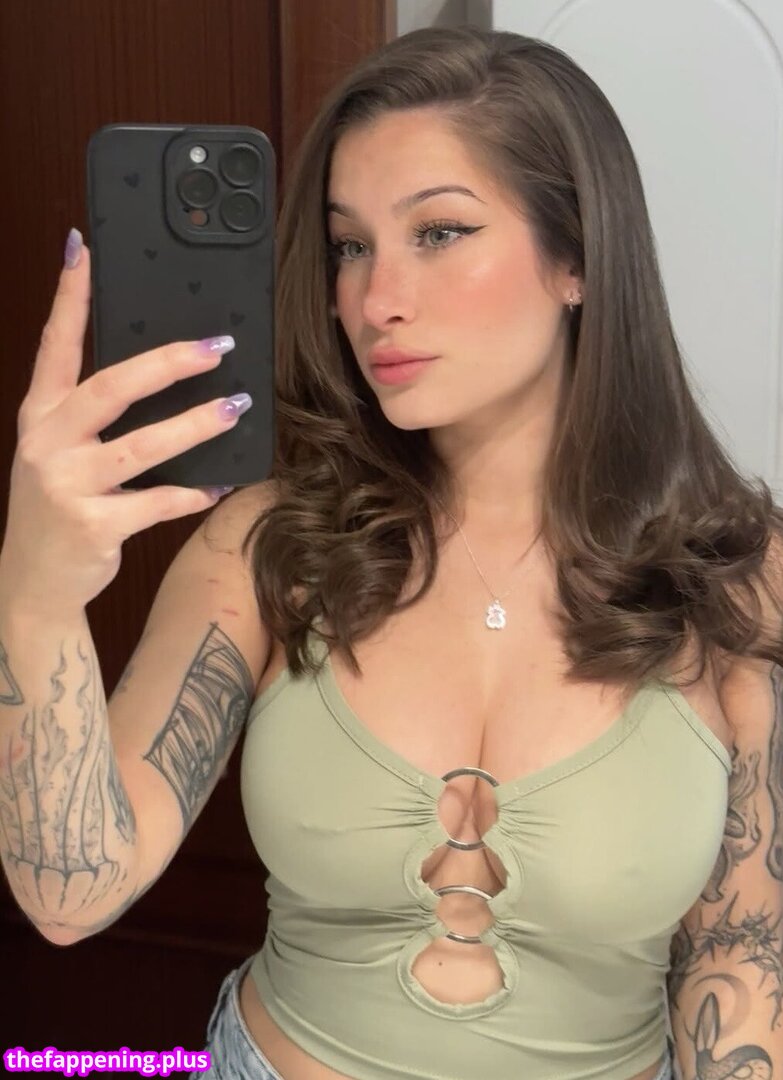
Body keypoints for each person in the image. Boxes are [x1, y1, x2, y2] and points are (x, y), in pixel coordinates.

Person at [2, 22, 783, 1080]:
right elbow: (69, 893)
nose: (377, 302)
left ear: (576, 259)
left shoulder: (735, 580)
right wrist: (37, 599)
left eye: (440, 232)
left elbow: (740, 972)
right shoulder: (269, 546)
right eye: (350, 246)